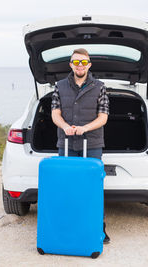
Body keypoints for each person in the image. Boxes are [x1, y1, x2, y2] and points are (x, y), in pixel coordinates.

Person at [51, 48, 110, 243]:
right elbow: (55, 113)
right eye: (76, 62)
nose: (80, 66)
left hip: (92, 143)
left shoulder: (100, 87)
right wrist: (66, 127)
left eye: (83, 62)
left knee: (93, 187)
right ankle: (69, 227)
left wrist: (85, 128)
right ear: (70, 64)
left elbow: (103, 117)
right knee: (66, 186)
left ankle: (98, 228)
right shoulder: (59, 86)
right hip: (66, 143)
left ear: (89, 65)